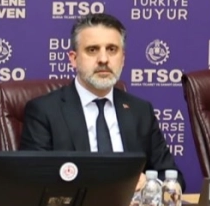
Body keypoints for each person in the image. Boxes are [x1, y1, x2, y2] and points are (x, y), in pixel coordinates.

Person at [20, 12, 180, 184]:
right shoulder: (44, 111)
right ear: (73, 59)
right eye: (92, 50)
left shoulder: (141, 111)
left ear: (122, 59)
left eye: (112, 50)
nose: (103, 59)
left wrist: (149, 183)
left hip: (132, 202)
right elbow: (33, 181)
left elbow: (172, 177)